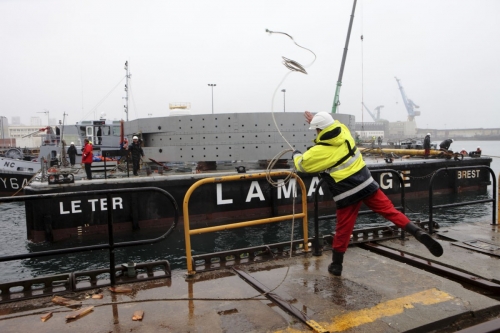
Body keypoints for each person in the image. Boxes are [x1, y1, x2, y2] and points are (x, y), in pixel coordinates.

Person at [292, 111, 443, 276]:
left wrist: (296, 154)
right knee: (391, 211)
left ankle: (336, 265)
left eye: (316, 129)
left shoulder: (320, 150)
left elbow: (302, 165)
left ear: (318, 130)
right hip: (367, 184)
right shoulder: (344, 132)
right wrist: (319, 120)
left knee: (343, 229)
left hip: (347, 194)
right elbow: (331, 125)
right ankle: (417, 232)